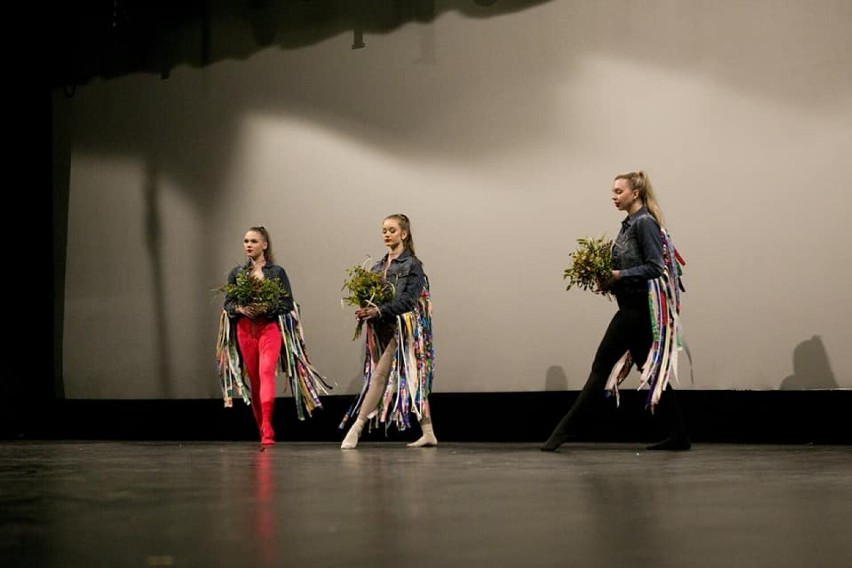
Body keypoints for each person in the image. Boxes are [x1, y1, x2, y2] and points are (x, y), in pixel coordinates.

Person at [541, 171, 691, 452]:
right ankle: (679, 436)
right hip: (632, 309)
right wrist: (607, 279)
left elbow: (656, 267)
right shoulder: (628, 225)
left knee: (600, 369)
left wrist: (619, 275)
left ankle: (562, 433)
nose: (614, 196)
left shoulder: (643, 223)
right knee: (654, 371)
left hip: (635, 312)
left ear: (635, 193)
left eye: (619, 191)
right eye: (613, 191)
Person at [216, 225, 331, 447]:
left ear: (264, 245)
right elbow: (228, 303)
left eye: (254, 241)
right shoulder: (237, 274)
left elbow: (287, 303)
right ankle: (262, 429)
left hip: (268, 328)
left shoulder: (276, 272)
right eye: (246, 241)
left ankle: (268, 427)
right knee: (256, 381)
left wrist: (265, 308)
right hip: (244, 330)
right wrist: (240, 309)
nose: (248, 245)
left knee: (266, 372)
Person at [340, 213, 437, 450]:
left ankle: (357, 428)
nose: (386, 234)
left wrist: (379, 311)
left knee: (380, 376)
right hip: (380, 329)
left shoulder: (412, 265)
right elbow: (372, 299)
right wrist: (366, 310)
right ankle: (428, 432)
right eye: (384, 230)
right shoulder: (377, 266)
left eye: (392, 230)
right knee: (410, 378)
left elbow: (408, 301)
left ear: (403, 234)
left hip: (402, 330)